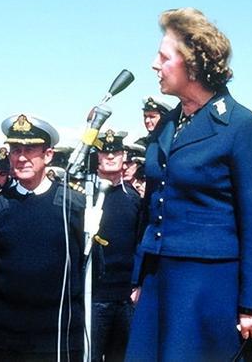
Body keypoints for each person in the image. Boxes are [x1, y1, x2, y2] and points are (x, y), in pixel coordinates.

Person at [126, 8, 252, 361]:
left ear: (192, 64)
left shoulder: (242, 127)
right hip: (160, 277)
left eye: (164, 57)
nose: (154, 64)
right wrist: (139, 277)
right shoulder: (167, 125)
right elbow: (152, 207)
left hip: (209, 282)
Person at [0, 114, 85, 362]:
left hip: (59, 333)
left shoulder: (73, 204)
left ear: (48, 155)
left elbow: (87, 266)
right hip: (9, 334)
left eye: (29, 150)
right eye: (15, 150)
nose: (21, 158)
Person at [91, 129, 143, 362]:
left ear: (124, 157)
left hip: (125, 297)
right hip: (94, 296)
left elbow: (139, 243)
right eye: (105, 152)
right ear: (97, 156)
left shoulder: (133, 198)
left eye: (116, 152)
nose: (110, 156)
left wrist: (138, 284)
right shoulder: (84, 196)